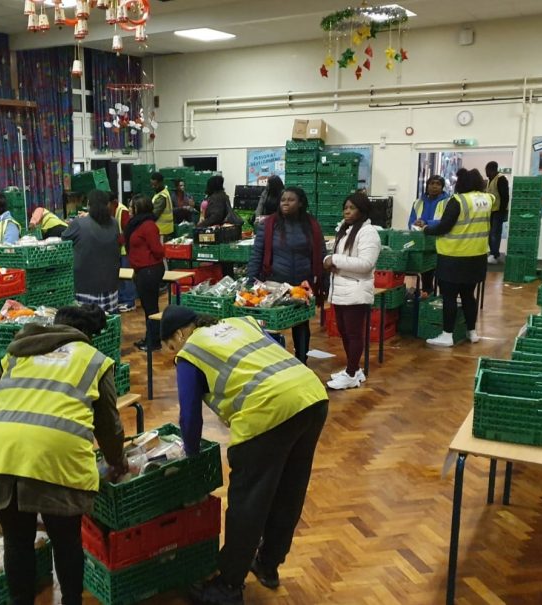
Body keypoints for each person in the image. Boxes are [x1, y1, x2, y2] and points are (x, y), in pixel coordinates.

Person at [157, 305, 328, 605]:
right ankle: (268, 564)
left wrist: (192, 459)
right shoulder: (242, 323)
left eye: (172, 347)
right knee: (289, 489)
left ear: (180, 333)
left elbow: (190, 418)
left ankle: (229, 585)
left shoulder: (192, 350)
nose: (174, 355)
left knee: (247, 503)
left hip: (267, 412)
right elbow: (276, 351)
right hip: (311, 395)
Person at [0, 304, 126, 605]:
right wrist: (117, 462)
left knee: (17, 543)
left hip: (1, 454)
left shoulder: (15, 354)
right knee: (66, 541)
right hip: (55, 458)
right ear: (87, 335)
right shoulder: (93, 360)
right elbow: (109, 427)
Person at [247, 187, 326, 363]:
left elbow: (320, 253)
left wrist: (322, 281)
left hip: (301, 285)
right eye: (283, 199)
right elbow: (257, 254)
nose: (285, 203)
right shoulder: (269, 225)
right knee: (271, 324)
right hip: (274, 283)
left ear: (300, 203)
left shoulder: (311, 225)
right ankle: (272, 363)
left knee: (301, 323)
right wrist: (250, 282)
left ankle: (301, 361)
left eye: (291, 200)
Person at [417, 168, 494, 347]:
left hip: (454, 256)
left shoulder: (458, 200)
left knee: (449, 297)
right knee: (468, 295)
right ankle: (472, 332)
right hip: (477, 256)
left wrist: (426, 229)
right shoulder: (487, 199)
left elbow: (444, 226)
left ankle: (447, 335)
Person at [324, 193, 381, 390]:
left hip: (356, 290)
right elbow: (336, 254)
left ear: (362, 210)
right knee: (345, 333)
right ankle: (355, 370)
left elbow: (366, 264)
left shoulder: (368, 233)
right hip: (340, 289)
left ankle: (350, 373)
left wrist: (336, 261)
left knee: (354, 334)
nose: (347, 211)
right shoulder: (345, 229)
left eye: (352, 208)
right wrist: (328, 259)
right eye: (345, 207)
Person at [62, 189, 121, 314]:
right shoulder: (114, 223)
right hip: (110, 286)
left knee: (87, 324)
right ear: (108, 204)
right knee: (108, 323)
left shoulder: (79, 223)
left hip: (85, 286)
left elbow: (64, 240)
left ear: (88, 204)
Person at [124, 194, 165, 352]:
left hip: (149, 271)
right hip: (142, 270)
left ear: (139, 207)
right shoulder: (136, 224)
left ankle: (154, 341)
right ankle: (151, 337)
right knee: (148, 308)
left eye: (132, 206)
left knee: (150, 308)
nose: (129, 209)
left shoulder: (148, 225)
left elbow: (157, 250)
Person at [408, 175, 450, 295]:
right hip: (423, 244)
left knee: (442, 278)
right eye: (432, 183)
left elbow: (446, 222)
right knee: (426, 276)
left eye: (438, 184)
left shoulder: (448, 202)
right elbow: (410, 221)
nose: (434, 186)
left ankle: (442, 301)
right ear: (427, 186)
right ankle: (427, 299)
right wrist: (415, 223)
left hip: (440, 243)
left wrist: (426, 223)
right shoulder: (418, 202)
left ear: (442, 187)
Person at [111, 193, 137, 312]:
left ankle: (130, 301)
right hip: (117, 250)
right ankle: (122, 299)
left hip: (125, 250)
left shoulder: (122, 211)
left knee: (127, 277)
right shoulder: (112, 211)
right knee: (120, 276)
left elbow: (128, 231)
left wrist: (120, 239)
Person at [485, 161, 509, 264]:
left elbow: (505, 196)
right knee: (490, 233)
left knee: (495, 233)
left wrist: (502, 211)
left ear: (492, 170)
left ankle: (494, 254)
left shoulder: (501, 179)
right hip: (491, 210)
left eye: (487, 170)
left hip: (499, 211)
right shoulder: (489, 180)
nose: (486, 173)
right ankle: (493, 253)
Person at [150, 171, 174, 239]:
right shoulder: (163, 192)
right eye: (151, 184)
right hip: (165, 229)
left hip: (162, 231)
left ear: (161, 182)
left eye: (155, 185)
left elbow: (154, 215)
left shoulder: (162, 197)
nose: (153, 187)